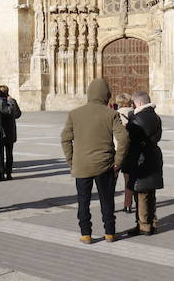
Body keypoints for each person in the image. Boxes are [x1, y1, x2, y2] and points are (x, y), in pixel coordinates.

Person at [60, 78, 129, 244]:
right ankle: (110, 233)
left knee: (83, 201)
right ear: (106, 95)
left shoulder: (74, 113)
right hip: (105, 165)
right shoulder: (111, 114)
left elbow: (65, 139)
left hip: (81, 165)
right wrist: (118, 161)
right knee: (107, 200)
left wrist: (71, 160)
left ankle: (86, 234)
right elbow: (124, 138)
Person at [125, 91, 163, 236]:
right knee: (150, 192)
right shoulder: (156, 116)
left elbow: (129, 138)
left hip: (140, 158)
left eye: (133, 103)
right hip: (153, 155)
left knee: (140, 192)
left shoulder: (137, 118)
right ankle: (152, 222)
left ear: (139, 103)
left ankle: (143, 225)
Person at [115, 93, 135, 214]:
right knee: (129, 179)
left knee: (111, 179)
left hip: (117, 151)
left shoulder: (115, 115)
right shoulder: (135, 114)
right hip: (130, 150)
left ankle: (108, 205)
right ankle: (128, 205)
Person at [0, 85, 21, 180]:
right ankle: (9, 173)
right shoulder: (12, 101)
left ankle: (1, 173)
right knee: (9, 154)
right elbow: (18, 114)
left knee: (0, 154)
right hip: (10, 130)